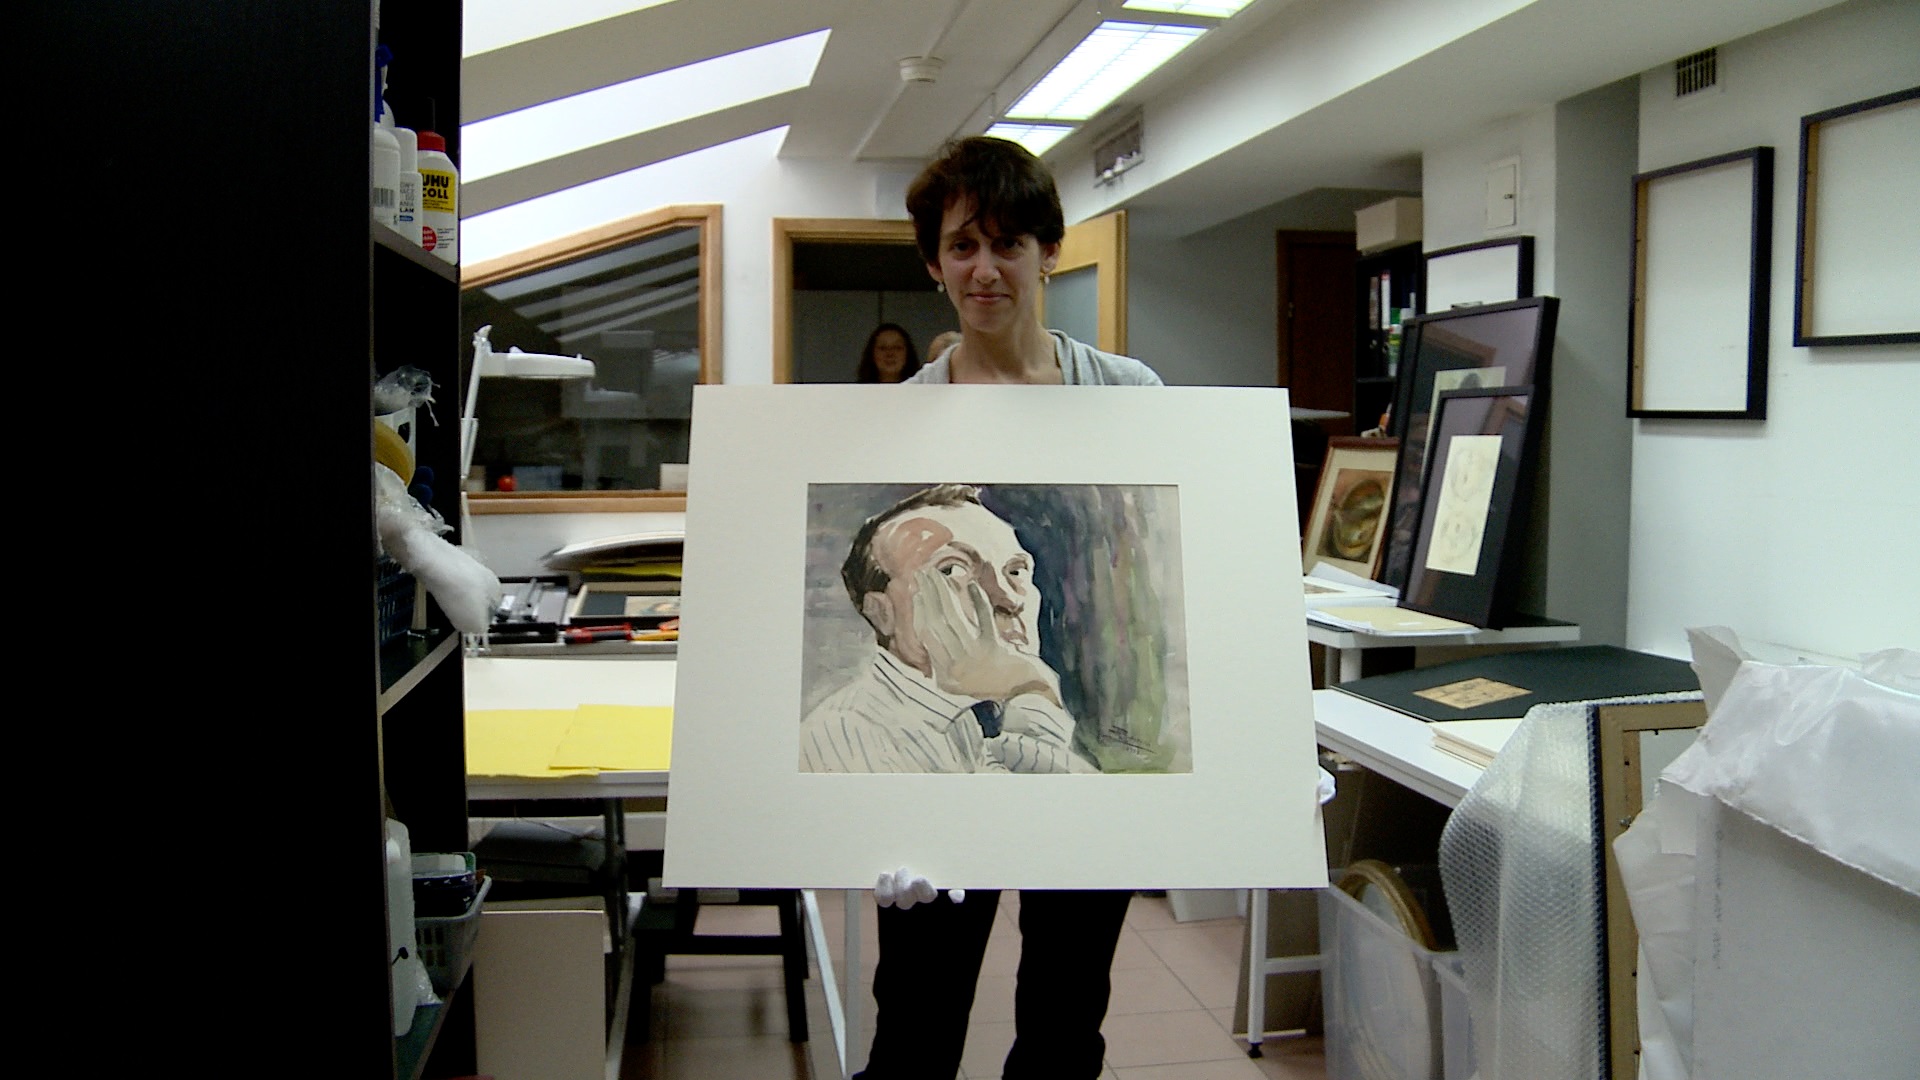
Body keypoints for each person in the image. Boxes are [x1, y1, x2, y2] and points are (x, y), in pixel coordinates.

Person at [850, 134, 1162, 1080]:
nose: (985, 270)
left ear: (1049, 253)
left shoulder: (1129, 395)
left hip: (1093, 735)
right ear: (933, 263)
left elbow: (1167, 584)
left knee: (1067, 1020)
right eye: (961, 247)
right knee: (915, 1019)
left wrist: (1257, 743)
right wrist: (871, 799)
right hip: (944, 746)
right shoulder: (901, 418)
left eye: (1010, 245)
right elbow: (892, 615)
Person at [798, 483, 1095, 775]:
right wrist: (1032, 688)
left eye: (1015, 571)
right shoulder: (847, 736)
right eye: (953, 570)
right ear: (882, 612)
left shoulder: (963, 719)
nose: (1010, 598)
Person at [856, 322, 923, 382]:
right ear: (872, 354)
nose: (890, 354)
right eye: (882, 348)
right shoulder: (856, 392)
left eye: (897, 348)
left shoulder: (922, 389)